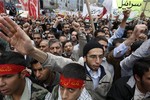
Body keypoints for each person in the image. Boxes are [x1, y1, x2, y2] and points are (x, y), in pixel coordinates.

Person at [0, 15, 147, 100]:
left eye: (100, 57)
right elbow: (53, 61)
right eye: (92, 57)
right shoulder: (76, 67)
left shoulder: (109, 72)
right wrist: (32, 50)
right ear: (84, 57)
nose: (97, 61)